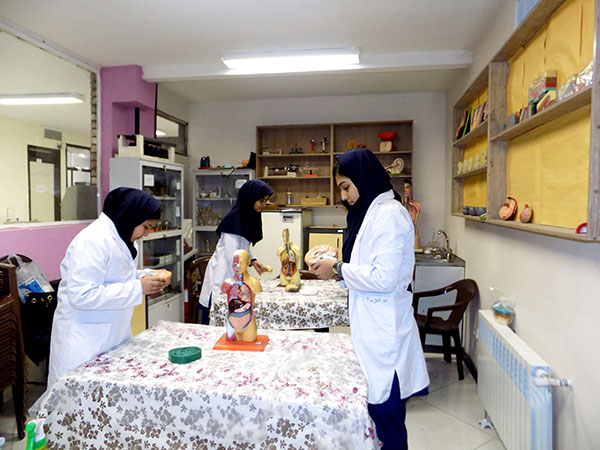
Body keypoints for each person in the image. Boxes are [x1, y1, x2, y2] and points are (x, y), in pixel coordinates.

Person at [310, 149, 429, 449]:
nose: (344, 197)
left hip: (385, 336)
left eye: (346, 187)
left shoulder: (390, 215)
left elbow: (384, 278)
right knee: (379, 418)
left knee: (388, 421)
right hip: (372, 333)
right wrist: (336, 267)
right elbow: (366, 267)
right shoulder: (372, 213)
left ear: (362, 179)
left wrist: (338, 268)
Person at [48, 187, 170, 387]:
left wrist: (147, 277)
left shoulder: (125, 239)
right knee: (78, 400)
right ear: (130, 216)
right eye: (145, 227)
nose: (146, 234)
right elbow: (82, 295)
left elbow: (117, 277)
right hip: (84, 341)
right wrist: (139, 288)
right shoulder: (92, 241)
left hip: (112, 335)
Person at [198, 179, 273, 324]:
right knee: (218, 318)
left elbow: (243, 246)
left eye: (266, 201)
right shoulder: (233, 221)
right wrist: (245, 280)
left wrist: (253, 260)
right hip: (223, 274)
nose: (264, 205)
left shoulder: (246, 217)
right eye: (261, 201)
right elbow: (232, 256)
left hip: (234, 273)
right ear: (250, 199)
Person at [402, 180, 422, 249]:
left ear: (411, 188)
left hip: (413, 233)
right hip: (401, 234)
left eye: (407, 187)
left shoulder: (417, 204)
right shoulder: (397, 205)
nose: (405, 190)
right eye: (403, 188)